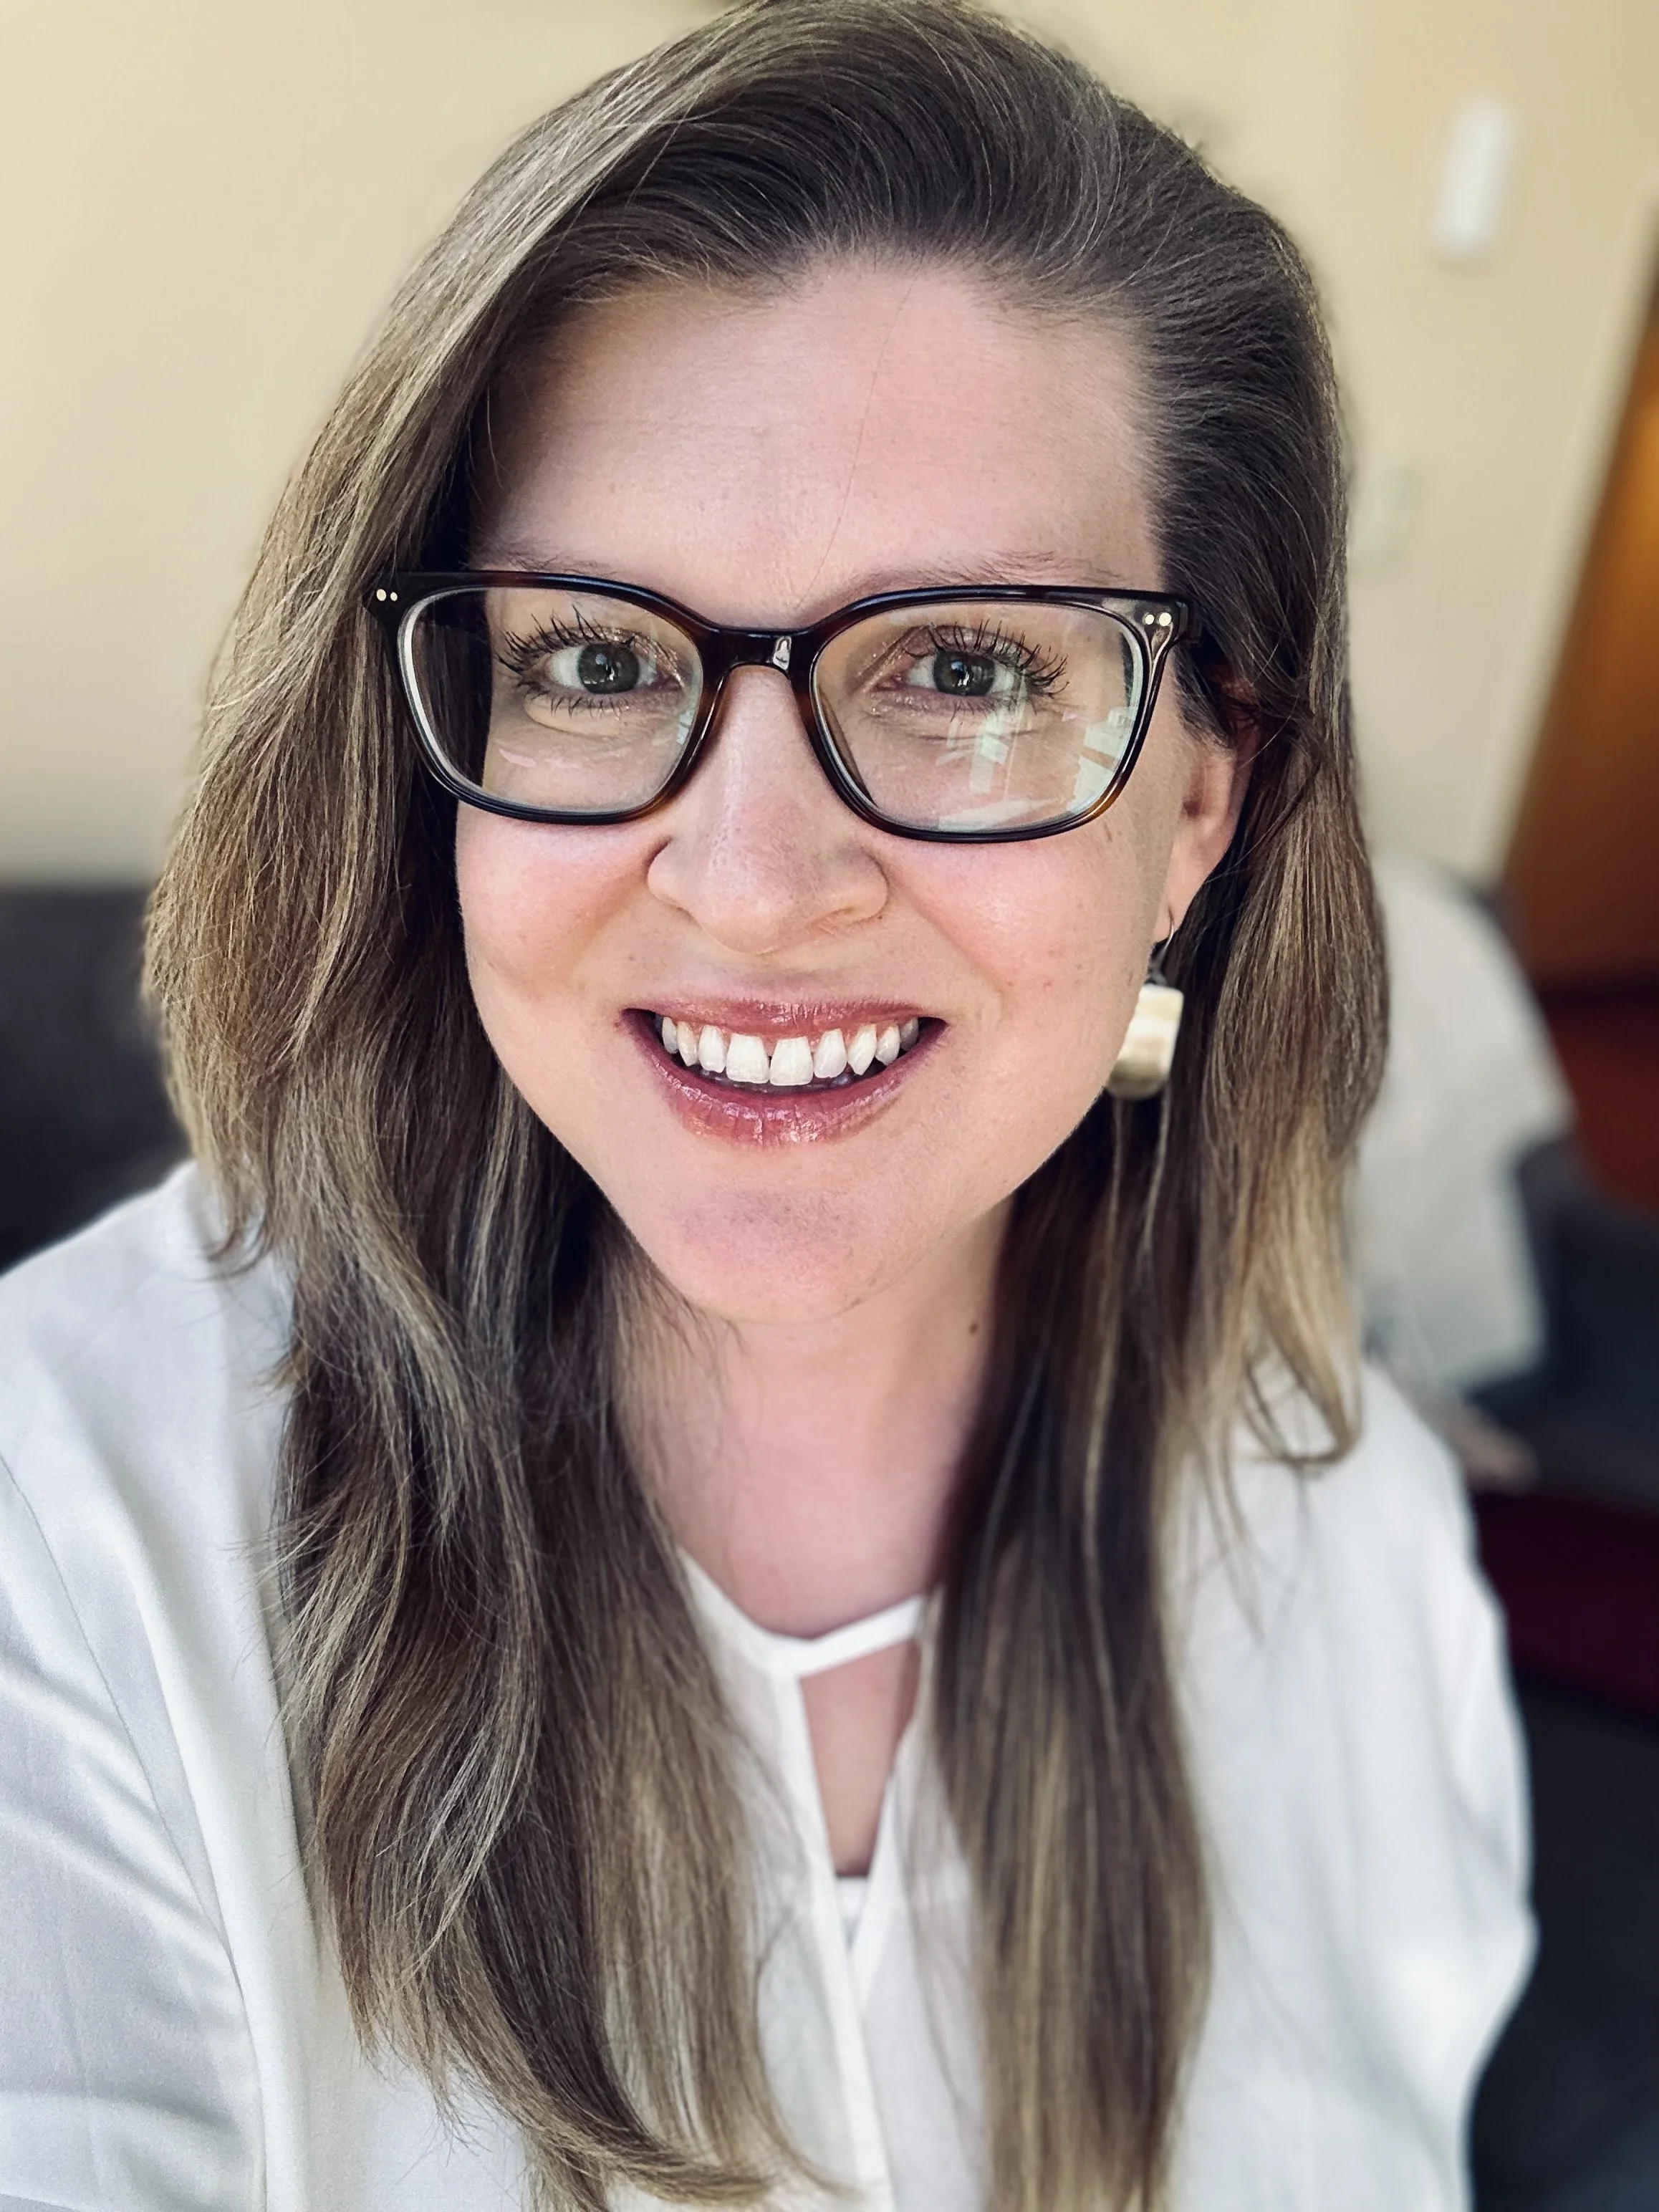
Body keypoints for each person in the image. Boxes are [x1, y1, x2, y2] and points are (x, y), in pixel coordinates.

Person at [0, 4, 1531, 2208]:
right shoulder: (78, 1537)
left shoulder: (1349, 1549)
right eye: (598, 660)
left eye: (971, 672)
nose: (748, 887)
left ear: (1203, 801)